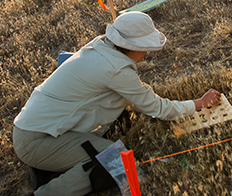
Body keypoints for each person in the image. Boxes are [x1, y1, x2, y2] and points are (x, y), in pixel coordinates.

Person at [13, 11, 221, 196]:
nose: (148, 52)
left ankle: (53, 165)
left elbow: (132, 97)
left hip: (33, 129)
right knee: (118, 163)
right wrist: (199, 103)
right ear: (131, 46)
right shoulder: (116, 69)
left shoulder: (101, 46)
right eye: (145, 46)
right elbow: (157, 108)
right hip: (37, 142)